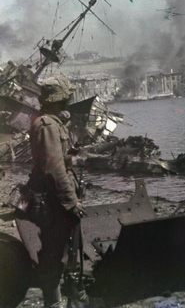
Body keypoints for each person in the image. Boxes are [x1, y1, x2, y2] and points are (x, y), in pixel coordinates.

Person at [28, 75, 88, 308]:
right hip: (53, 201)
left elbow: (57, 160)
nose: (68, 102)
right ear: (57, 99)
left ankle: (72, 297)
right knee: (54, 253)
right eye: (65, 98)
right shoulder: (47, 125)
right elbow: (54, 169)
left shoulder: (53, 123)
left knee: (68, 249)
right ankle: (53, 303)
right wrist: (71, 202)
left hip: (57, 199)